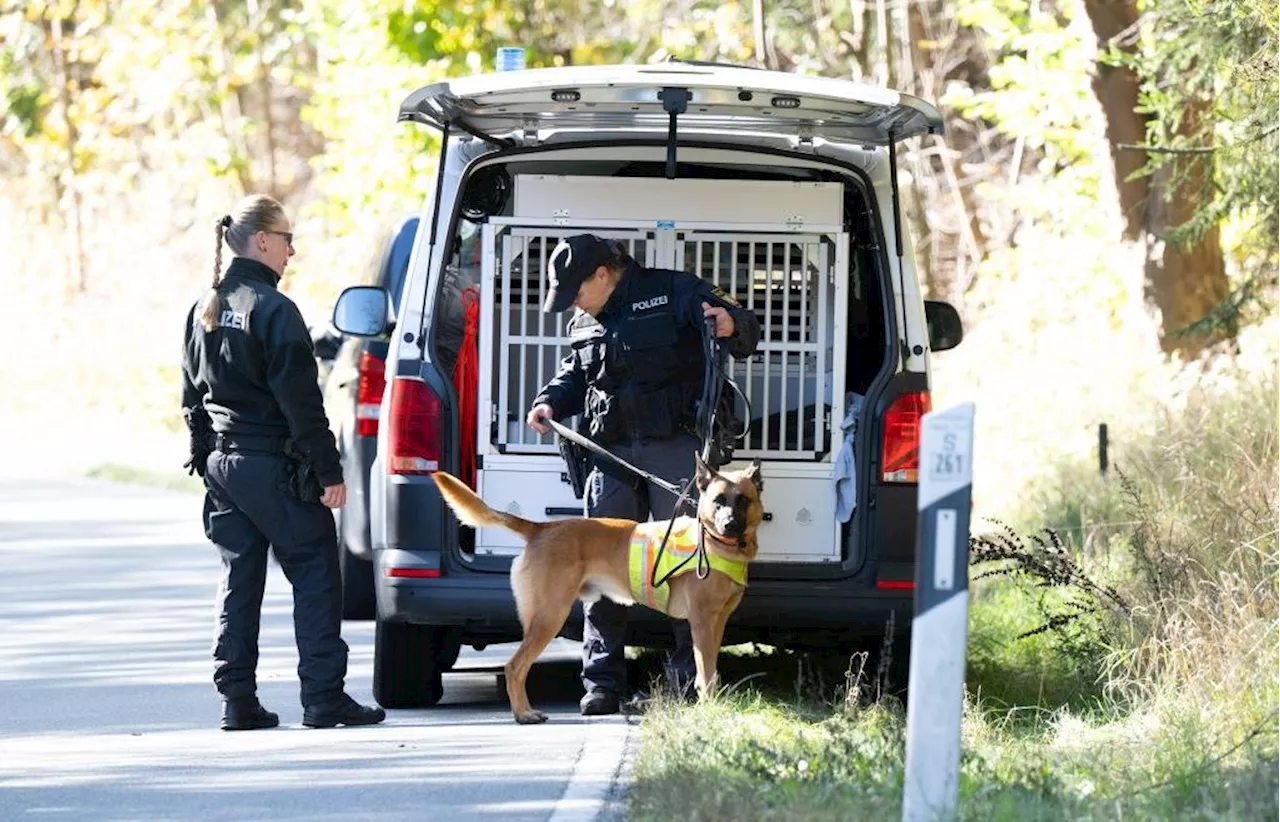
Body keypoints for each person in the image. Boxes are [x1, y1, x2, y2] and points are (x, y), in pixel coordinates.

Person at [527, 234, 761, 716]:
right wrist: (549, 400)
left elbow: (747, 329)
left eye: (576, 290)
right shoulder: (585, 318)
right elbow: (577, 372)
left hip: (674, 452)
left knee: (689, 570)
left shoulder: (675, 291)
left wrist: (731, 322)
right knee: (599, 572)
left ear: (603, 275)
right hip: (610, 455)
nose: (573, 302)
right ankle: (602, 685)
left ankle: (682, 686)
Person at [181, 194, 386, 731]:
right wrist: (329, 472)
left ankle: (237, 701)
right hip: (275, 465)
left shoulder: (201, 308)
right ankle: (324, 698)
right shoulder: (275, 310)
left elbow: (190, 399)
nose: (293, 250)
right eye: (288, 238)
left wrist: (207, 462)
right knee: (317, 572)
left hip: (225, 466)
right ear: (263, 240)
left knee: (239, 580)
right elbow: (302, 404)